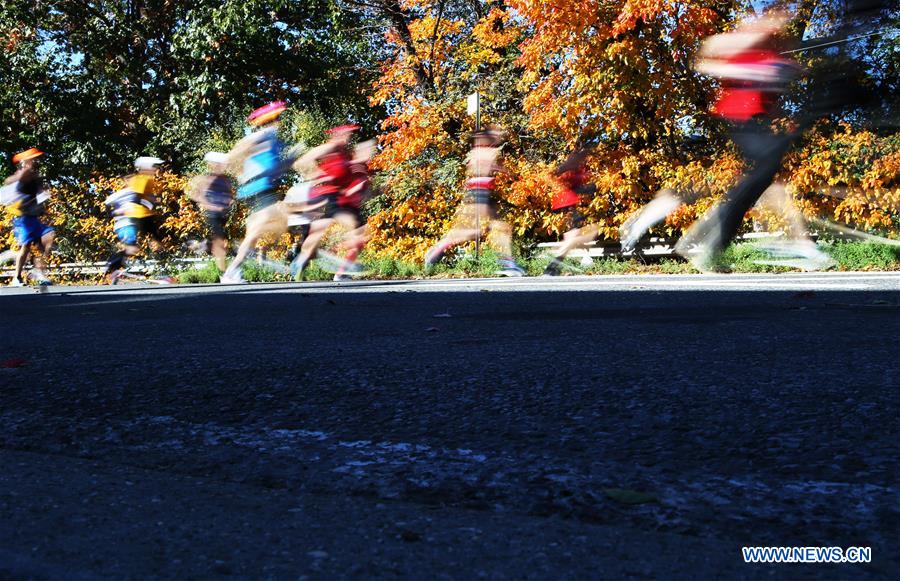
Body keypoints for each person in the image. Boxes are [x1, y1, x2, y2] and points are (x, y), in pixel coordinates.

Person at [675, 11, 805, 271]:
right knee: (763, 173)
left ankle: (703, 238)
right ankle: (704, 239)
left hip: (758, 122)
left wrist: (782, 82)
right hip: (736, 117)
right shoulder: (741, 41)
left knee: (761, 179)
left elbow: (768, 96)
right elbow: (703, 62)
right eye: (774, 21)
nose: (778, 26)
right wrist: (750, 69)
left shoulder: (769, 52)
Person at [424, 125, 524, 276]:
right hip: (480, 190)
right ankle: (438, 249)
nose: (499, 136)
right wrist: (498, 169)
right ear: (487, 136)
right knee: (475, 231)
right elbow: (480, 169)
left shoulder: (478, 151)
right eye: (496, 134)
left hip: (481, 190)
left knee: (501, 226)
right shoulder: (485, 151)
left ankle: (508, 262)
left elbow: (477, 168)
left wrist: (500, 170)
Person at [221, 102, 292, 284]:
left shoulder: (275, 141)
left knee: (269, 226)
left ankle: (235, 267)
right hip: (257, 187)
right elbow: (241, 147)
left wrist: (290, 160)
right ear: (271, 120)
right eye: (278, 118)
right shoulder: (265, 134)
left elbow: (276, 169)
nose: (280, 122)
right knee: (281, 216)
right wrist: (239, 168)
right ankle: (235, 266)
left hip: (262, 187)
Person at [289, 124, 363, 280]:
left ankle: (300, 260)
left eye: (349, 135)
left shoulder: (345, 154)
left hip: (333, 196)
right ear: (337, 135)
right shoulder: (330, 147)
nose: (348, 137)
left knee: (318, 231)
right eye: (346, 134)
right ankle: (340, 271)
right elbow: (302, 162)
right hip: (323, 195)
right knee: (351, 229)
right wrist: (317, 175)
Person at [104, 156, 165, 283]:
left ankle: (162, 271)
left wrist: (154, 201)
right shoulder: (142, 179)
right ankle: (113, 263)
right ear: (146, 168)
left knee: (157, 243)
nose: (156, 169)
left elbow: (144, 196)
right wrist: (150, 204)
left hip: (144, 215)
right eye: (154, 166)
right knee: (148, 244)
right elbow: (136, 198)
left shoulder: (148, 179)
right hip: (140, 215)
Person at [1, 148, 55, 286]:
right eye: (32, 159)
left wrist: (43, 203)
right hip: (23, 219)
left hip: (34, 218)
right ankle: (17, 278)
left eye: (35, 158)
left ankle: (39, 273)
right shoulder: (22, 174)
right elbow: (8, 181)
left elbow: (39, 195)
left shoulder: (35, 176)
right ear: (25, 161)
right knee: (26, 247)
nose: (35, 160)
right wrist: (22, 171)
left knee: (48, 240)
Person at [543, 146, 598, 276]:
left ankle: (553, 267)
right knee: (591, 231)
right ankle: (554, 258)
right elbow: (556, 174)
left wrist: (587, 189)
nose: (589, 153)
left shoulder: (581, 164)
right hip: (567, 201)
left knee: (572, 235)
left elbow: (576, 185)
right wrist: (587, 189)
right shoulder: (574, 161)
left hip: (569, 202)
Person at [187, 152, 235, 273]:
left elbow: (230, 194)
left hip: (223, 215)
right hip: (212, 215)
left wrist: (229, 201)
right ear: (213, 165)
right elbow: (195, 194)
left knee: (217, 241)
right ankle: (224, 273)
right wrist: (209, 205)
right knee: (220, 243)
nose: (222, 167)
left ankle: (202, 245)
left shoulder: (225, 179)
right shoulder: (208, 179)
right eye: (219, 164)